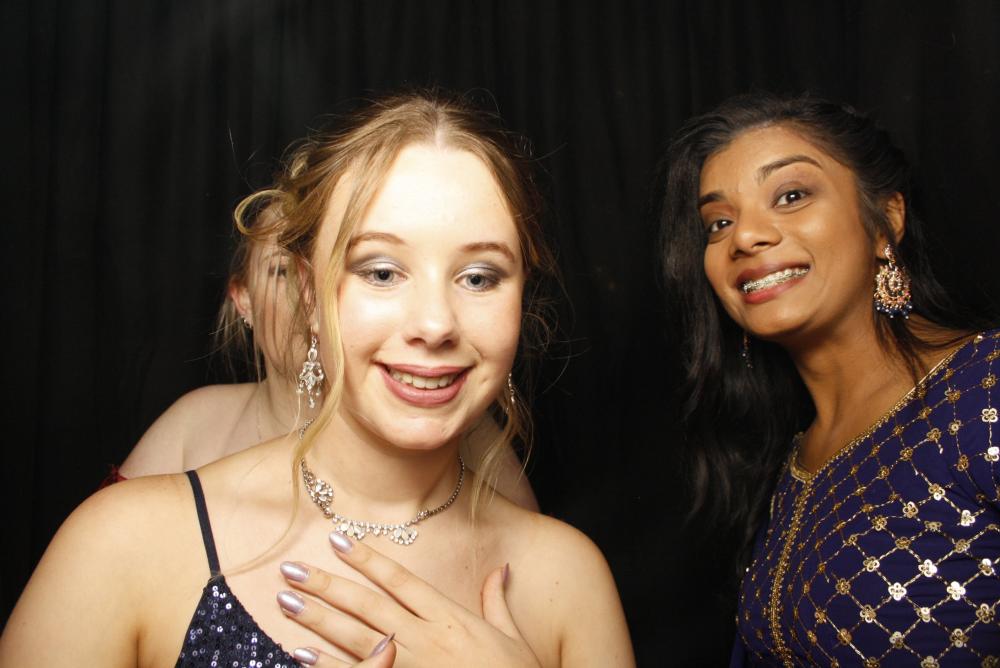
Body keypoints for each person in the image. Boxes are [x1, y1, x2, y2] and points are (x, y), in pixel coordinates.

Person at [0, 90, 633, 667]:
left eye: (479, 277)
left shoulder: (569, 582)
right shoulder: (126, 542)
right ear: (309, 291)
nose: (436, 324)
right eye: (381, 272)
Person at [659, 92, 1000, 665]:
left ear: (886, 220)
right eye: (718, 222)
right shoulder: (791, 464)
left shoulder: (985, 387)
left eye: (791, 196)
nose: (745, 237)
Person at [117, 201, 539, 511]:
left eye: (370, 272)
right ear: (243, 299)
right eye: (283, 271)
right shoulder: (193, 423)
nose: (313, 297)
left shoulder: (457, 432)